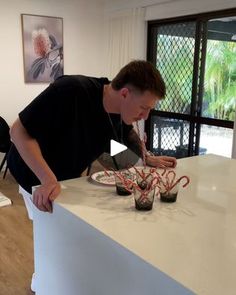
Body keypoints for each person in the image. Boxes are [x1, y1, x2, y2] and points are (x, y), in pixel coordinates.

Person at [8, 60, 177, 217]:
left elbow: (121, 141)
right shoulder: (72, 90)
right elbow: (17, 131)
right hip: (35, 175)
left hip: (66, 179)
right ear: (125, 94)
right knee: (48, 233)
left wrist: (146, 157)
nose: (145, 116)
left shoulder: (120, 113)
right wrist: (47, 179)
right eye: (143, 107)